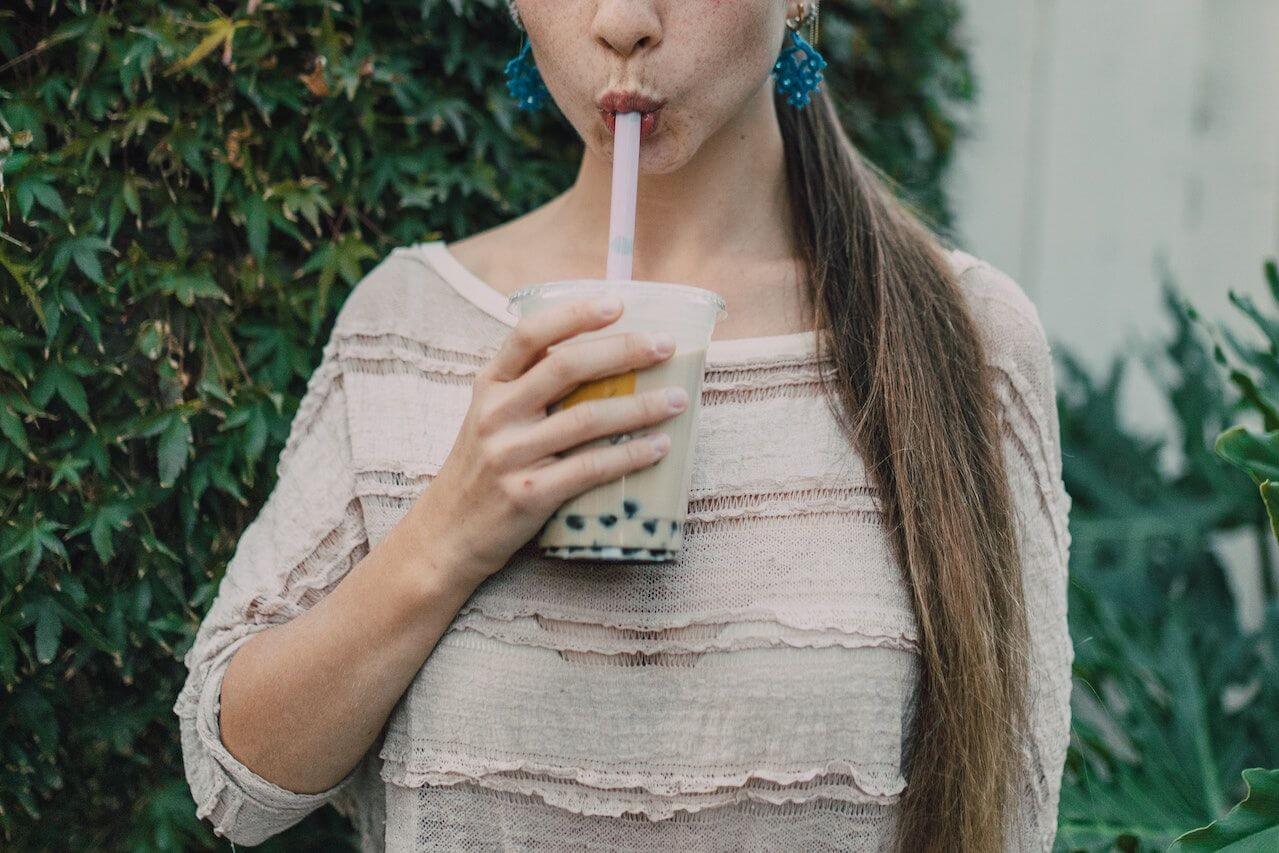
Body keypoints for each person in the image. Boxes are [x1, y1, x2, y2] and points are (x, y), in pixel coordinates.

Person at [173, 1, 1073, 850]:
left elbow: (1007, 817)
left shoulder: (963, 340)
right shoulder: (410, 326)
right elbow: (234, 779)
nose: (621, 22)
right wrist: (448, 535)